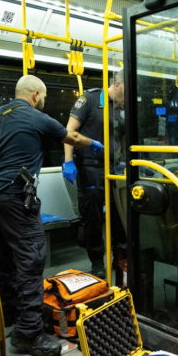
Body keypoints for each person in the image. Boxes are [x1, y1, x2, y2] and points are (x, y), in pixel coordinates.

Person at [0, 75, 103, 356]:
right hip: (16, 197)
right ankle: (29, 335)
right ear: (37, 95)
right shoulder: (36, 117)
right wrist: (93, 144)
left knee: (3, 260)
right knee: (31, 258)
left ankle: (12, 316)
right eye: (45, 97)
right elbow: (72, 136)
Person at [62, 69, 127, 279]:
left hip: (115, 168)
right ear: (118, 85)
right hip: (91, 168)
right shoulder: (90, 99)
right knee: (93, 218)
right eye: (126, 91)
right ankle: (97, 262)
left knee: (120, 216)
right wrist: (68, 161)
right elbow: (69, 132)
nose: (126, 98)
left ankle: (121, 259)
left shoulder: (121, 109)